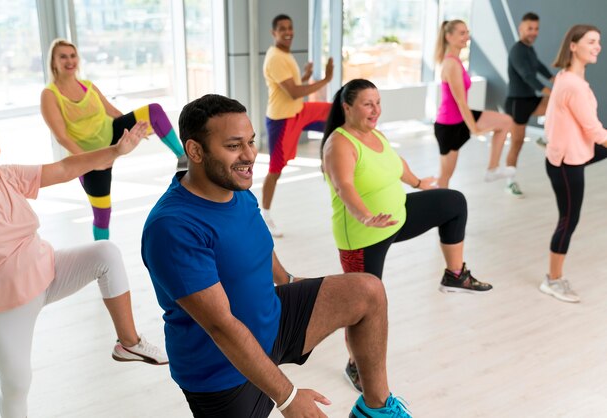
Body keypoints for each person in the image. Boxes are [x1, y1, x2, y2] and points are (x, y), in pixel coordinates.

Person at [141, 94, 412, 418]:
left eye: (251, 142)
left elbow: (258, 249)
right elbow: (221, 326)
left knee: (367, 291)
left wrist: (289, 281)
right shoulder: (173, 227)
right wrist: (288, 397)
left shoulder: (237, 191)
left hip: (272, 320)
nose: (250, 155)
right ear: (195, 151)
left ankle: (375, 410)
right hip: (220, 371)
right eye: (233, 146)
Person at [0, 108, 168, 418]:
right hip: (5, 306)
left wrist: (116, 151)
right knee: (16, 385)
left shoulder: (7, 176)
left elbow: (66, 167)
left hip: (47, 270)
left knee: (106, 253)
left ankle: (128, 343)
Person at [321, 78, 492, 393]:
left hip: (397, 216)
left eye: (378, 102)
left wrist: (417, 182)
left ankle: (455, 275)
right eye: (367, 104)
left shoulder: (376, 135)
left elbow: (395, 164)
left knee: (453, 202)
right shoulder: (340, 144)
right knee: (364, 305)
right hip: (363, 235)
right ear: (347, 107)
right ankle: (354, 364)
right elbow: (344, 186)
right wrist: (365, 216)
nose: (376, 110)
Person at [40, 38, 187, 241]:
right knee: (102, 214)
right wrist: (93, 161)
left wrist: (135, 129)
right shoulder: (49, 94)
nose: (69, 60)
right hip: (86, 157)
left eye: (72, 55)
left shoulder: (88, 86)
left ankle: (183, 157)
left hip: (111, 134)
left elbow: (113, 112)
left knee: (153, 111)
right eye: (63, 56)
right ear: (53, 62)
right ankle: (102, 259)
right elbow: (62, 137)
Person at [540, 24, 607, 303]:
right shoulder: (573, 85)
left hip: (572, 152)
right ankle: (552, 280)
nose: (597, 47)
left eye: (599, 42)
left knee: (569, 218)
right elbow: (594, 130)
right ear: (573, 45)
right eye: (591, 42)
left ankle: (554, 278)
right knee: (569, 219)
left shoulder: (566, 77)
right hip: (567, 163)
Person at [261, 14, 334, 237]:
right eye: (282, 28)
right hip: (282, 120)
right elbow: (292, 92)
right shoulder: (275, 57)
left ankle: (328, 161)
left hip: (297, 112)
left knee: (335, 113)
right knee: (275, 170)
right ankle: (265, 215)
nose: (288, 32)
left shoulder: (284, 53)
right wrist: (325, 79)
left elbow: (291, 87)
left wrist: (305, 76)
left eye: (290, 27)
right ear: (274, 33)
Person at [434, 20, 514, 189]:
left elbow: (462, 104)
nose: (467, 37)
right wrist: (475, 129)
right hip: (449, 126)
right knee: (444, 178)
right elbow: (461, 101)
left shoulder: (456, 61)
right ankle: (438, 211)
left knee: (505, 121)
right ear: (449, 36)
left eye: (467, 32)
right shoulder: (451, 64)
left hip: (460, 118)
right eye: (462, 33)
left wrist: (472, 126)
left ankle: (492, 170)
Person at [504, 12, 554, 198]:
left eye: (536, 28)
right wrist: (549, 90)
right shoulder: (517, 50)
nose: (533, 32)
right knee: (516, 145)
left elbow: (538, 66)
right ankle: (510, 183)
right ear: (521, 29)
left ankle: (546, 137)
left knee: (556, 104)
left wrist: (553, 78)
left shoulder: (529, 48)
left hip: (530, 99)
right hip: (517, 103)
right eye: (530, 28)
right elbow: (528, 76)